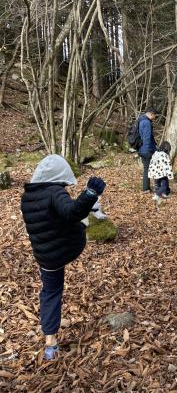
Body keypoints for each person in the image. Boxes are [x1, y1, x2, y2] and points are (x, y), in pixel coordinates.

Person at [20, 155, 106, 361]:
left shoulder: (28, 197)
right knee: (80, 223)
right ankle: (88, 220)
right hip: (65, 249)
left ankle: (50, 343)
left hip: (44, 256)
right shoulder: (55, 193)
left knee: (50, 292)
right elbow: (71, 211)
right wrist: (90, 194)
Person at [137, 107, 158, 192]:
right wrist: (148, 151)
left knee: (147, 169)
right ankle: (148, 188)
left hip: (142, 149)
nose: (155, 117)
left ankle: (147, 188)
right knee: (151, 168)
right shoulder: (146, 122)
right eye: (155, 115)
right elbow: (147, 138)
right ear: (151, 113)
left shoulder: (141, 120)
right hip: (146, 150)